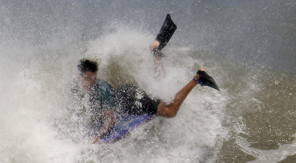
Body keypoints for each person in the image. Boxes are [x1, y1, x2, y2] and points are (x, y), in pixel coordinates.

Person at [76, 17, 219, 143]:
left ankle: (198, 77)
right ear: (79, 76)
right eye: (87, 78)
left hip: (132, 100)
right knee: (161, 88)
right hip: (127, 95)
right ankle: (156, 53)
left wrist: (98, 137)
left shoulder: (101, 89)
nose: (91, 81)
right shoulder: (79, 88)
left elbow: (110, 120)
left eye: (93, 78)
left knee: (170, 111)